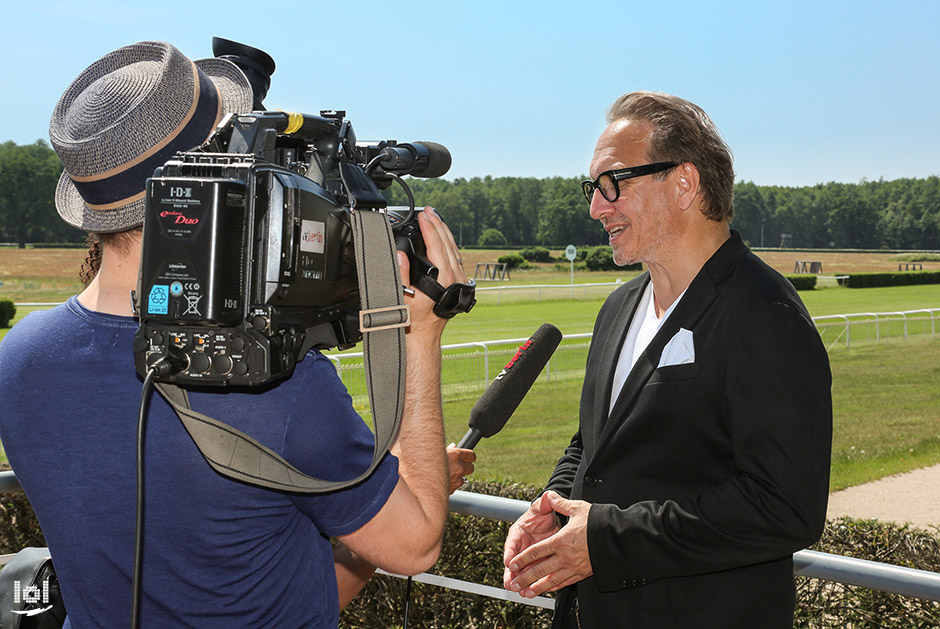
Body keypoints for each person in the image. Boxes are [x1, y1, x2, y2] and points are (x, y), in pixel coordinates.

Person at [0, 41, 470, 627]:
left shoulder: (17, 358)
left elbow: (243, 582)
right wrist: (420, 334)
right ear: (212, 171)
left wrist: (371, 504)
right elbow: (416, 545)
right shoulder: (273, 383)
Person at [502, 91, 833, 628]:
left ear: (684, 183)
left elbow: (783, 508)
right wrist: (554, 507)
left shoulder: (762, 312)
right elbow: (594, 443)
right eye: (592, 188)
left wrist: (607, 539)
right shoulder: (619, 307)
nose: (595, 207)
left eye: (613, 183)